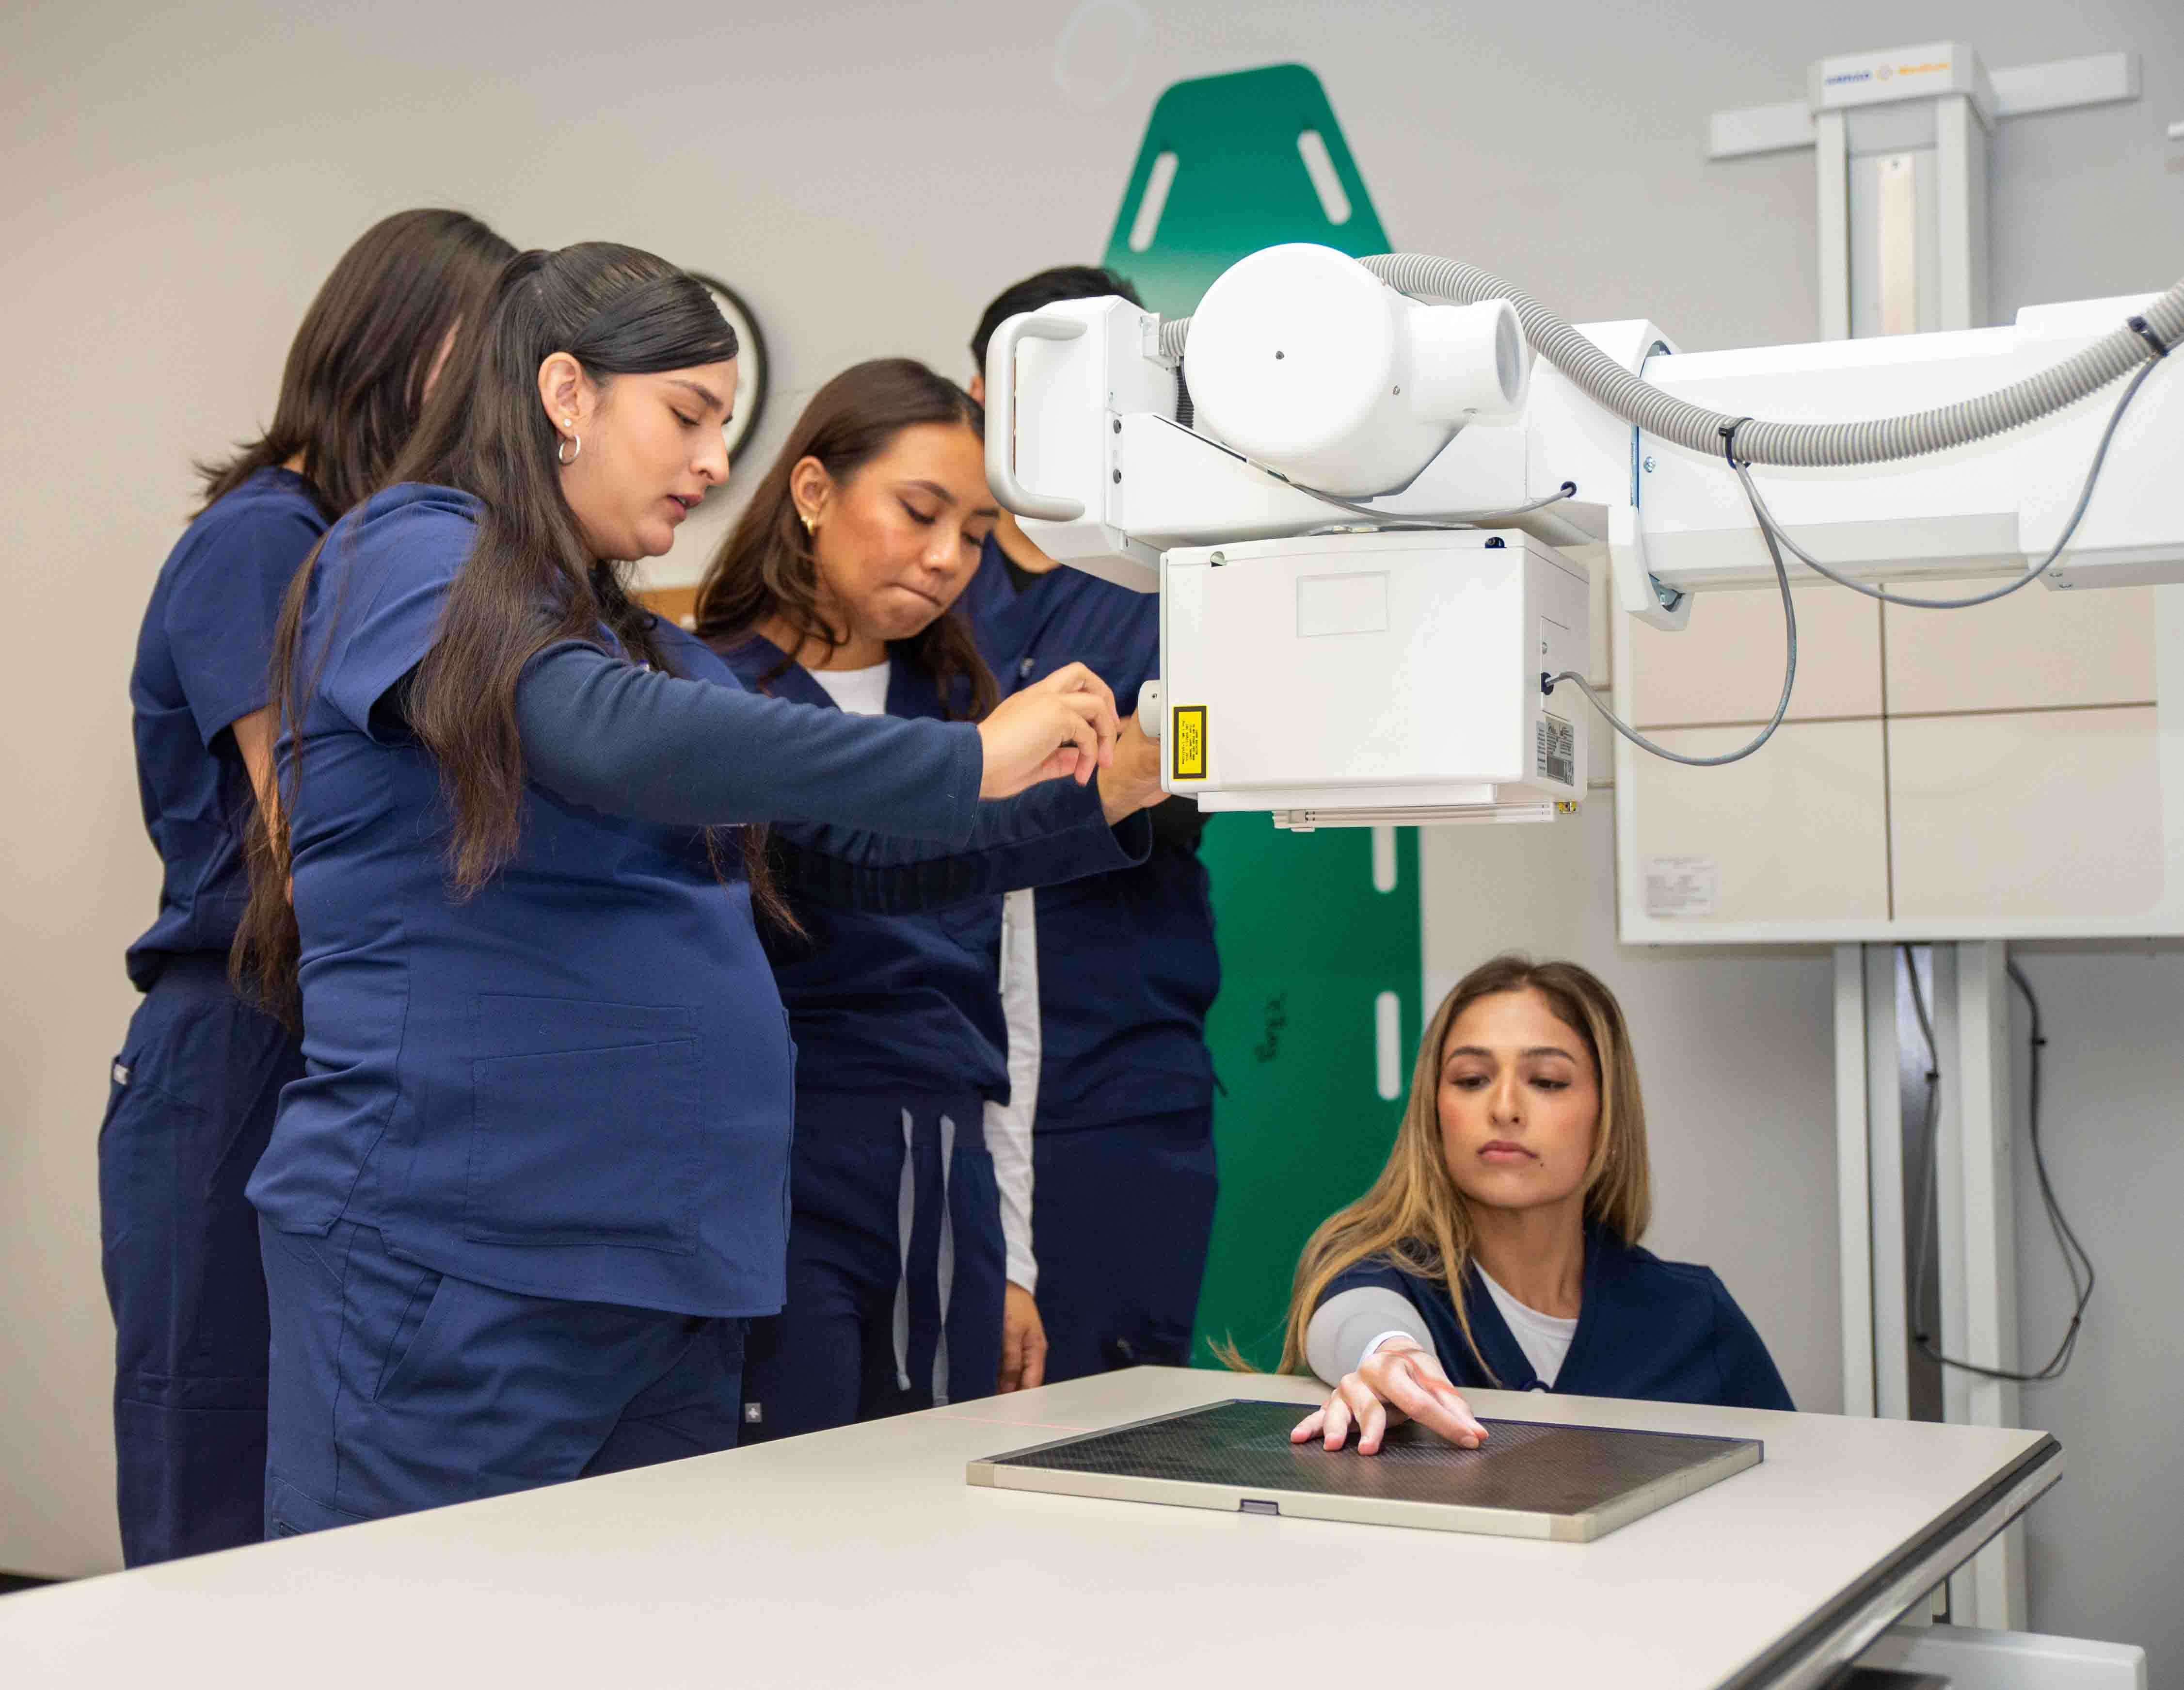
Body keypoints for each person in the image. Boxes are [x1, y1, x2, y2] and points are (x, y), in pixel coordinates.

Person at [234, 244, 1134, 1535]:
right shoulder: (409, 550)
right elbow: (595, 732)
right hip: (463, 1256)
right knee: (411, 1637)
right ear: (565, 394)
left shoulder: (626, 637)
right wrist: (968, 752)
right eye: (690, 417)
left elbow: (842, 852)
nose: (717, 464)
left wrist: (1092, 804)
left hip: (665, 1276)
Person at [103, 207, 513, 1564]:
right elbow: (311, 830)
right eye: (481, 358)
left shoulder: (383, 549)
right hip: (240, 1042)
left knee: (337, 1488)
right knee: (217, 1469)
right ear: (395, 348)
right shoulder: (263, 540)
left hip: (341, 1043)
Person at [690, 358, 1166, 1438]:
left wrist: (1010, 1246)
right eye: (918, 511)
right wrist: (1106, 792)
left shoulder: (962, 705)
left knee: (930, 1502)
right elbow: (871, 851)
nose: (949, 558)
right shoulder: (709, 697)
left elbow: (1008, 999)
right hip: (778, 1162)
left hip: (943, 1171)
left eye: (977, 529)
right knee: (788, 1497)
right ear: (812, 493)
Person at [960, 265, 1222, 1386]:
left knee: (1099, 1417)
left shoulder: (1186, 574)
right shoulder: (925, 583)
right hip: (942, 1083)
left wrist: (986, 784)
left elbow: (1177, 790)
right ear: (978, 396)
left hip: (1112, 1089)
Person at [1283, 955, 1793, 1456]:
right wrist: (1393, 1358)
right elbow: (1352, 1319)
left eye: (1546, 1080)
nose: (1503, 1108)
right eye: (1470, 1079)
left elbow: (1803, 1494)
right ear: (1434, 1113)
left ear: (1607, 1115)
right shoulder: (1378, 1274)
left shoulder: (1691, 1314)